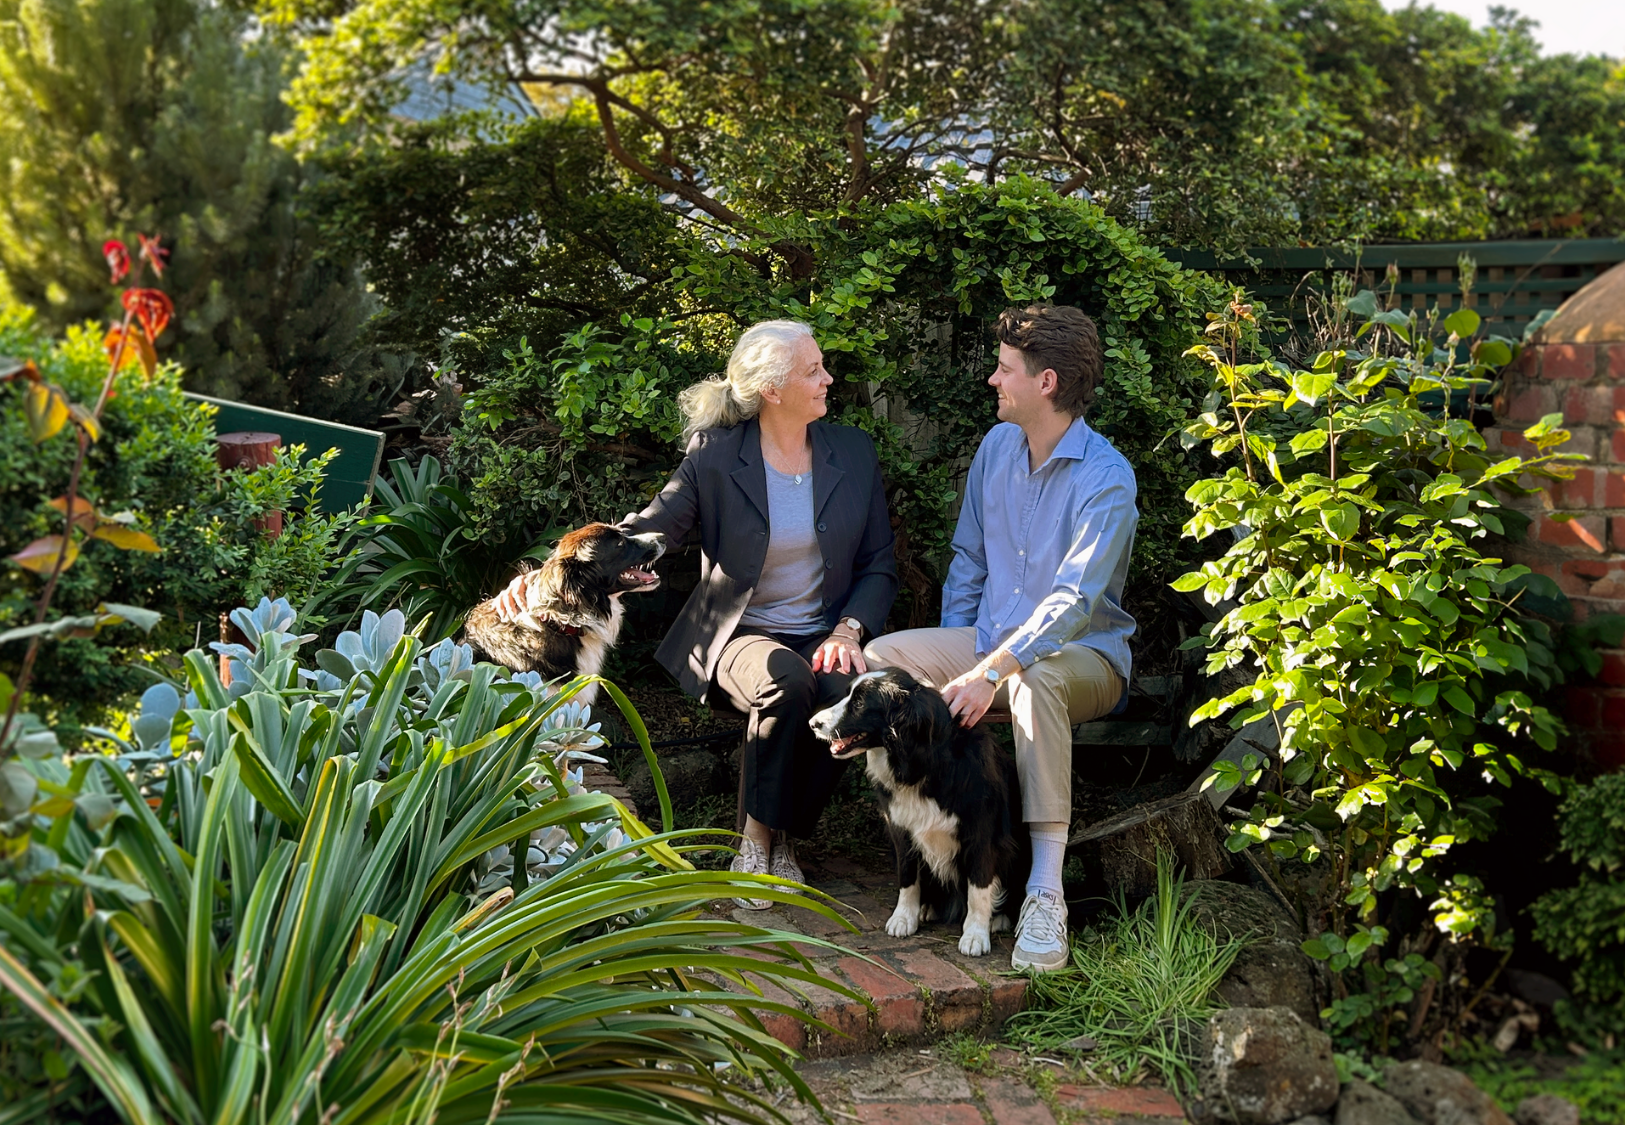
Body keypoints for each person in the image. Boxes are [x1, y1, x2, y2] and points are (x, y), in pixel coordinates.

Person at [491, 320, 897, 906]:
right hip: (738, 635)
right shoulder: (716, 456)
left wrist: (849, 628)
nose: (828, 378)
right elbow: (643, 531)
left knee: (850, 694)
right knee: (787, 680)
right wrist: (539, 579)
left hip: (825, 631)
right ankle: (755, 843)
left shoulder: (853, 452)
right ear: (772, 391)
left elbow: (879, 562)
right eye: (813, 370)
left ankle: (785, 840)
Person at [864, 304, 1137, 972]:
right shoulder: (995, 449)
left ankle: (1045, 891)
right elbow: (969, 559)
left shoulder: (1106, 477)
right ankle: (936, 846)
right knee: (884, 663)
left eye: (1004, 369)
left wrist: (992, 671)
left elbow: (1076, 601)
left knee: (1032, 677)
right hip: (989, 648)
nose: (992, 379)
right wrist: (966, 654)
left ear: (1044, 382)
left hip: (1084, 657)